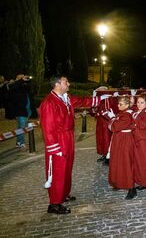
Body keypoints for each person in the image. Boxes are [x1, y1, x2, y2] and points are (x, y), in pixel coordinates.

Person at [39, 75, 102, 214]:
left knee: (67, 169)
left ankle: (63, 194)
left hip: (68, 137)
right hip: (58, 140)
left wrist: (100, 99)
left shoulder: (65, 98)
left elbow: (81, 101)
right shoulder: (49, 103)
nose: (68, 84)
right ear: (57, 84)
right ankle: (54, 204)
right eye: (65, 82)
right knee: (58, 171)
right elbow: (47, 128)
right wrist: (54, 147)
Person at [107, 95, 136, 199]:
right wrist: (114, 119)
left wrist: (112, 118)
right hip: (119, 140)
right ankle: (119, 182)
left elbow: (114, 127)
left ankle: (131, 188)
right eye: (118, 103)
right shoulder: (122, 113)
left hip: (125, 140)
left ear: (127, 105)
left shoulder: (127, 115)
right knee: (117, 161)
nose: (118, 106)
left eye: (121, 104)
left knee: (126, 163)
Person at [8, 74, 33, 148]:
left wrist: (27, 81)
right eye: (21, 78)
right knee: (22, 127)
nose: (23, 79)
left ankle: (18, 142)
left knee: (21, 127)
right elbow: (14, 87)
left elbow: (29, 88)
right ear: (17, 79)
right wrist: (20, 80)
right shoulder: (13, 86)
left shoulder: (23, 86)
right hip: (20, 111)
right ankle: (22, 142)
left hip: (26, 111)